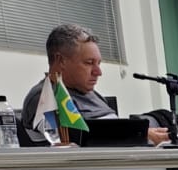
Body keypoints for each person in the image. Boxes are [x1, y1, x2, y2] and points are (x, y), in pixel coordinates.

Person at [20, 24, 169, 146]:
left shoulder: (93, 94)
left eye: (98, 63)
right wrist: (140, 134)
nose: (98, 72)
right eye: (89, 63)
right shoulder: (43, 98)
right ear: (61, 61)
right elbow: (73, 139)